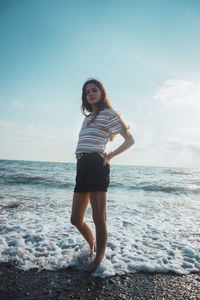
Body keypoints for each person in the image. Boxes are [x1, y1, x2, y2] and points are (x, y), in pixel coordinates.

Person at [70, 78, 134, 272]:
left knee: (99, 217)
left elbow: (129, 140)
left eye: (94, 89)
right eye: (87, 91)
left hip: (97, 165)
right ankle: (93, 247)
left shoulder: (109, 114)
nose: (91, 93)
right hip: (82, 166)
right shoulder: (87, 118)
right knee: (75, 219)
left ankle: (98, 259)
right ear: (85, 97)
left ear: (101, 92)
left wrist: (111, 155)